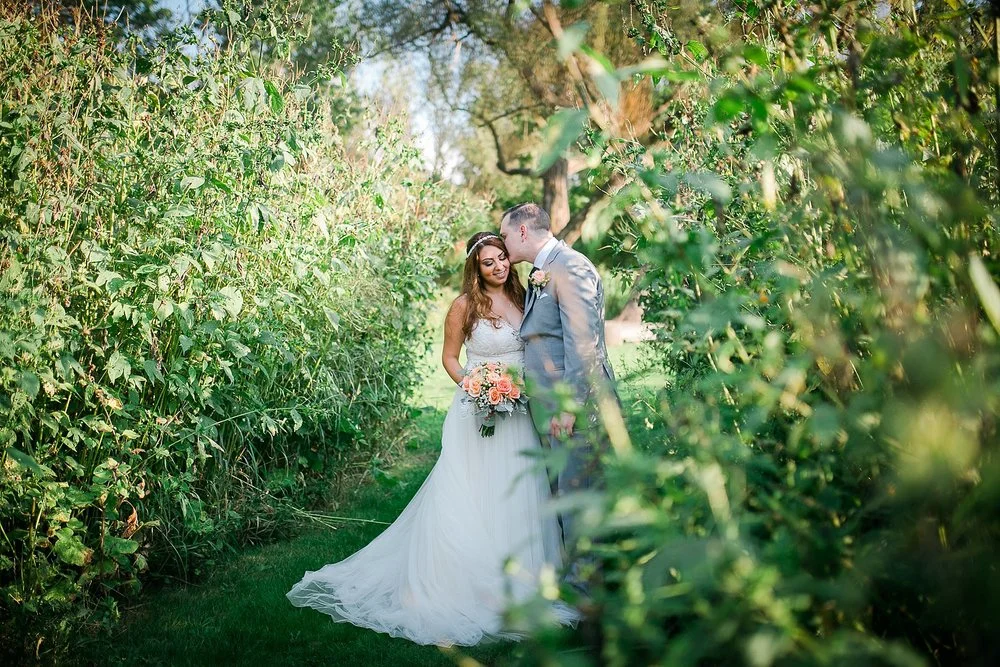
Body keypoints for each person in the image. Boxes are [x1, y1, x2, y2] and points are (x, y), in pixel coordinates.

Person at [286, 231, 576, 646]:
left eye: (502, 259)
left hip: (519, 412)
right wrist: (475, 387)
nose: (498, 267)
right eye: (487, 262)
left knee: (519, 491)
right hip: (478, 410)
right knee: (474, 490)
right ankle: (466, 582)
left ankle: (523, 577)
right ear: (475, 269)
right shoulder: (463, 307)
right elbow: (450, 358)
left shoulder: (524, 298)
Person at [498, 203, 617, 549]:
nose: (503, 244)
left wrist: (569, 406)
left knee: (579, 501)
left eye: (505, 235)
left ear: (522, 231)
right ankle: (577, 582)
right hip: (553, 409)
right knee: (565, 500)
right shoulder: (545, 269)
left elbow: (584, 346)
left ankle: (586, 594)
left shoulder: (570, 266)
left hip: (578, 409)